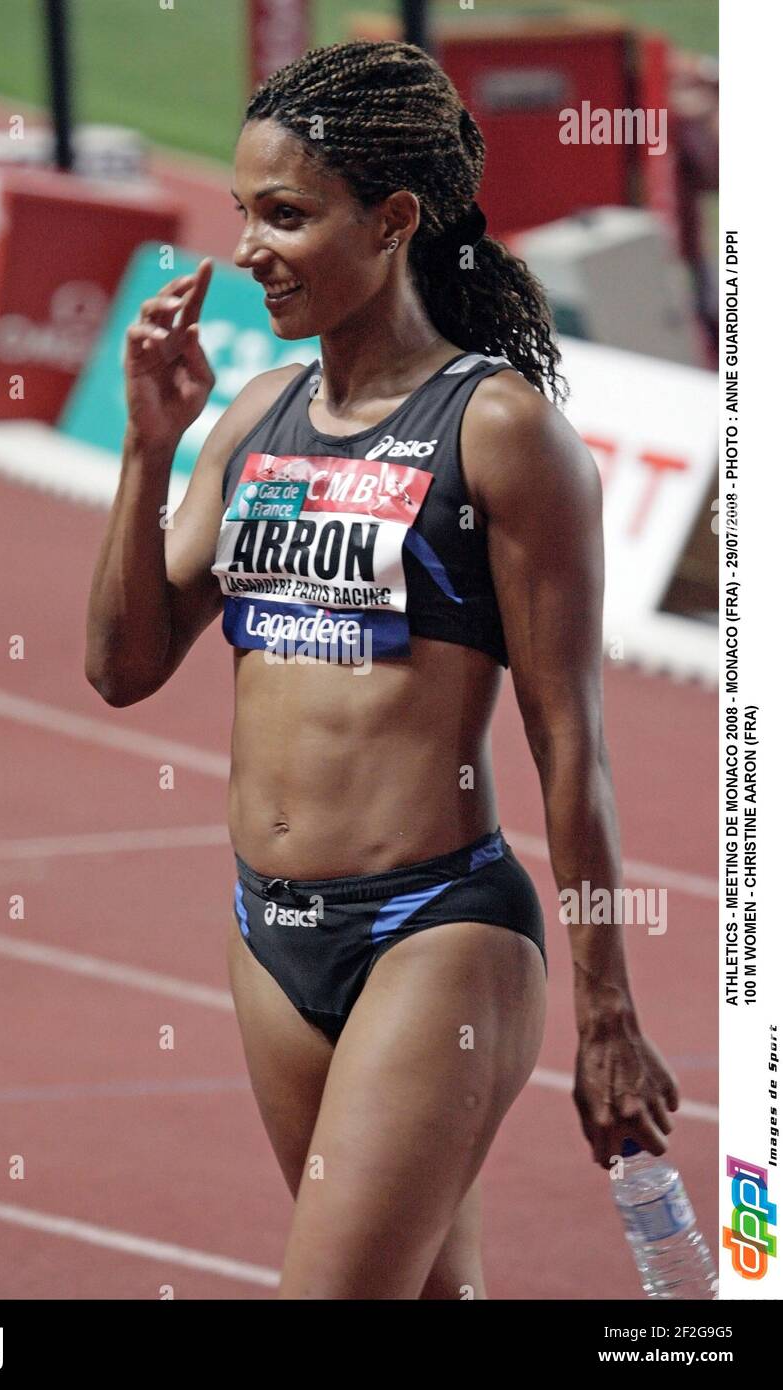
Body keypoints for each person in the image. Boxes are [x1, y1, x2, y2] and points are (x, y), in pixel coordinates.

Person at [86, 39, 680, 1300]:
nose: (250, 248)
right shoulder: (253, 419)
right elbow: (122, 667)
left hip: (435, 932)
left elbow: (566, 739)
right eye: (245, 211)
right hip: (269, 934)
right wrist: (149, 451)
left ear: (395, 219)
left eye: (288, 216)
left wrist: (607, 1014)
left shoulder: (498, 431)